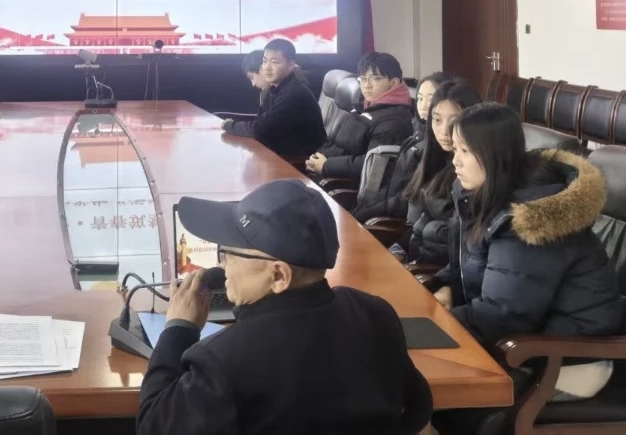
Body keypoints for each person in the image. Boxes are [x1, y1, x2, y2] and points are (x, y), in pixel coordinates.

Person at [137, 178, 432, 435]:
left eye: (228, 253)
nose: (221, 264)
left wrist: (178, 329)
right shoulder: (376, 314)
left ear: (278, 275)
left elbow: (153, 426)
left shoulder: (222, 361)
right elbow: (418, 407)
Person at [429, 103, 623, 421]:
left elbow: (504, 315)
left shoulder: (532, 220)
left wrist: (434, 324)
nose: (455, 161)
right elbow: (474, 261)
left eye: (465, 151)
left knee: (419, 388)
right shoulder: (489, 196)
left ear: (494, 155)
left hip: (565, 362)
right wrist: (446, 285)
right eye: (456, 148)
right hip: (523, 344)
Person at [389, 81, 480, 266]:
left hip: (435, 270)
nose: (444, 130)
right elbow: (418, 224)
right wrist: (398, 250)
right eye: (437, 120)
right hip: (417, 259)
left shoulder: (471, 171)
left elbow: (458, 244)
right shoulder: (434, 158)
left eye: (454, 121)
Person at [350, 70, 451, 224]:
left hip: (398, 220)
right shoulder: (416, 131)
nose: (423, 105)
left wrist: (372, 210)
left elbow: (410, 197)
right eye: (420, 98)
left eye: (430, 99)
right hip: (389, 205)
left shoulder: (437, 145)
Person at [306, 52, 414, 185]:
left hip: (349, 184)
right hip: (329, 171)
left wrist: (326, 165)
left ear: (394, 82)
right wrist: (317, 157)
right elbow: (334, 141)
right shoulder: (363, 105)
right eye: (363, 79)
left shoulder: (394, 119)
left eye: (375, 79)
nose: (366, 85)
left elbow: (373, 163)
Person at [222, 39, 325, 162]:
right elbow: (260, 123)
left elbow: (258, 130)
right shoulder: (274, 89)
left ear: (291, 65)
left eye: (275, 62)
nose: (267, 68)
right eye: (265, 61)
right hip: (282, 152)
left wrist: (229, 125)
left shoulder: (294, 94)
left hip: (300, 160)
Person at [213, 50, 269, 121]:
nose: (253, 84)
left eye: (252, 77)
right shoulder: (265, 93)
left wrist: (230, 125)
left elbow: (263, 125)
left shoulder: (272, 95)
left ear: (262, 69)